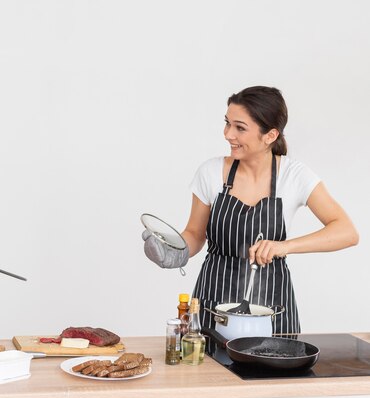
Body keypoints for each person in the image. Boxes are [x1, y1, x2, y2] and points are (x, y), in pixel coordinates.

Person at [142, 86, 359, 334]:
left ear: (270, 135)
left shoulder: (294, 176)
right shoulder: (211, 172)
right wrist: (175, 252)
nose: (227, 134)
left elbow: (347, 232)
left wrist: (284, 246)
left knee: (274, 372)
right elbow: (194, 233)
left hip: (272, 308)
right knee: (209, 372)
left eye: (240, 127)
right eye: (227, 123)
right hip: (214, 302)